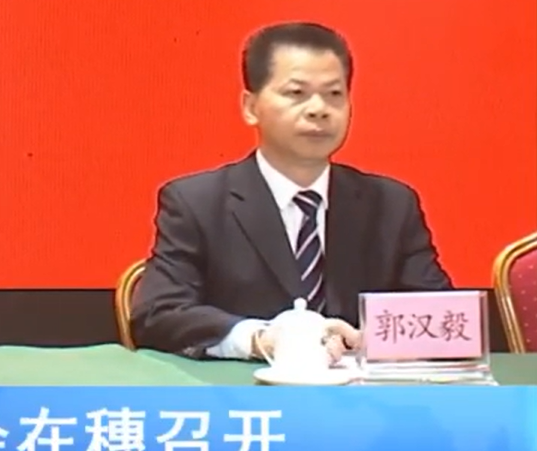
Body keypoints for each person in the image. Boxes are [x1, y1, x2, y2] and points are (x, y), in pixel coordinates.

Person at [131, 22, 452, 360]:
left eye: (334, 94)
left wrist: (371, 340)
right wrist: (261, 340)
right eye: (296, 93)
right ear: (250, 107)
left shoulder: (391, 205)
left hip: (360, 389)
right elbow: (158, 314)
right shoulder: (197, 202)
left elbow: (442, 318)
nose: (318, 109)